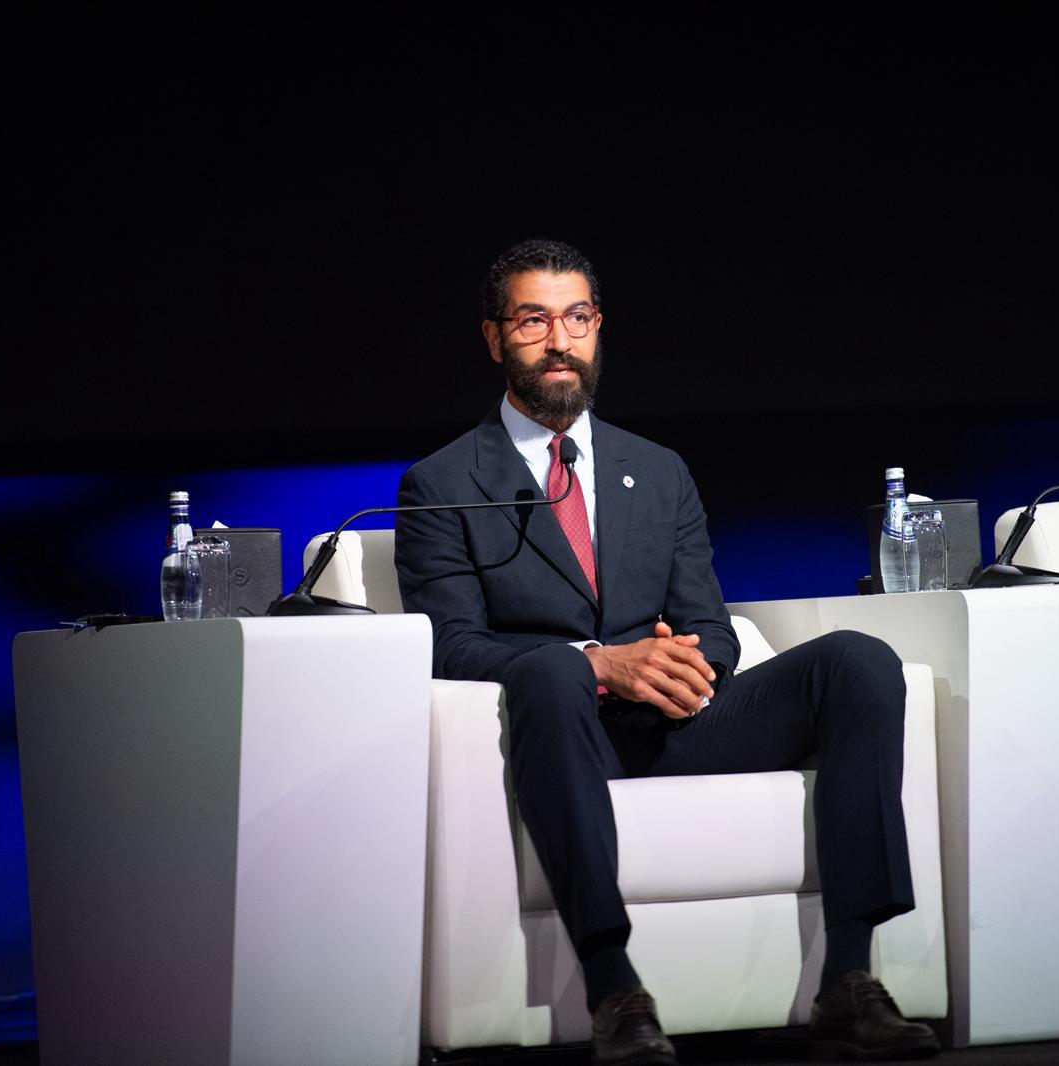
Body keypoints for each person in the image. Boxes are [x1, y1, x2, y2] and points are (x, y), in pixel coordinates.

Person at [393, 239, 938, 1064]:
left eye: (577, 318)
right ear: (495, 338)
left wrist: (683, 665)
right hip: (560, 728)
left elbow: (711, 625)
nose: (559, 341)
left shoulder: (657, 470)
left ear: (598, 327)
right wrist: (598, 663)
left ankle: (850, 979)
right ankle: (615, 991)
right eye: (534, 321)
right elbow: (453, 645)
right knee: (553, 667)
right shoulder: (442, 484)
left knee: (859, 661)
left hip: (672, 722)